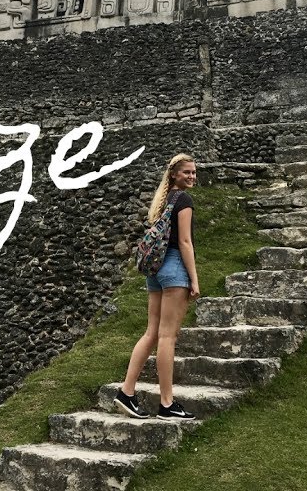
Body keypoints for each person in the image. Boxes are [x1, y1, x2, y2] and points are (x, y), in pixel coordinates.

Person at [113, 153, 200, 421]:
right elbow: (184, 242)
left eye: (194, 172)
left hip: (155, 269)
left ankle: (127, 392)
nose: (192, 176)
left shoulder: (163, 200)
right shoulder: (183, 200)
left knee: (151, 333)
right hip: (174, 267)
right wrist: (194, 279)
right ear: (174, 174)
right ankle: (166, 403)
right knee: (167, 337)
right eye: (187, 172)